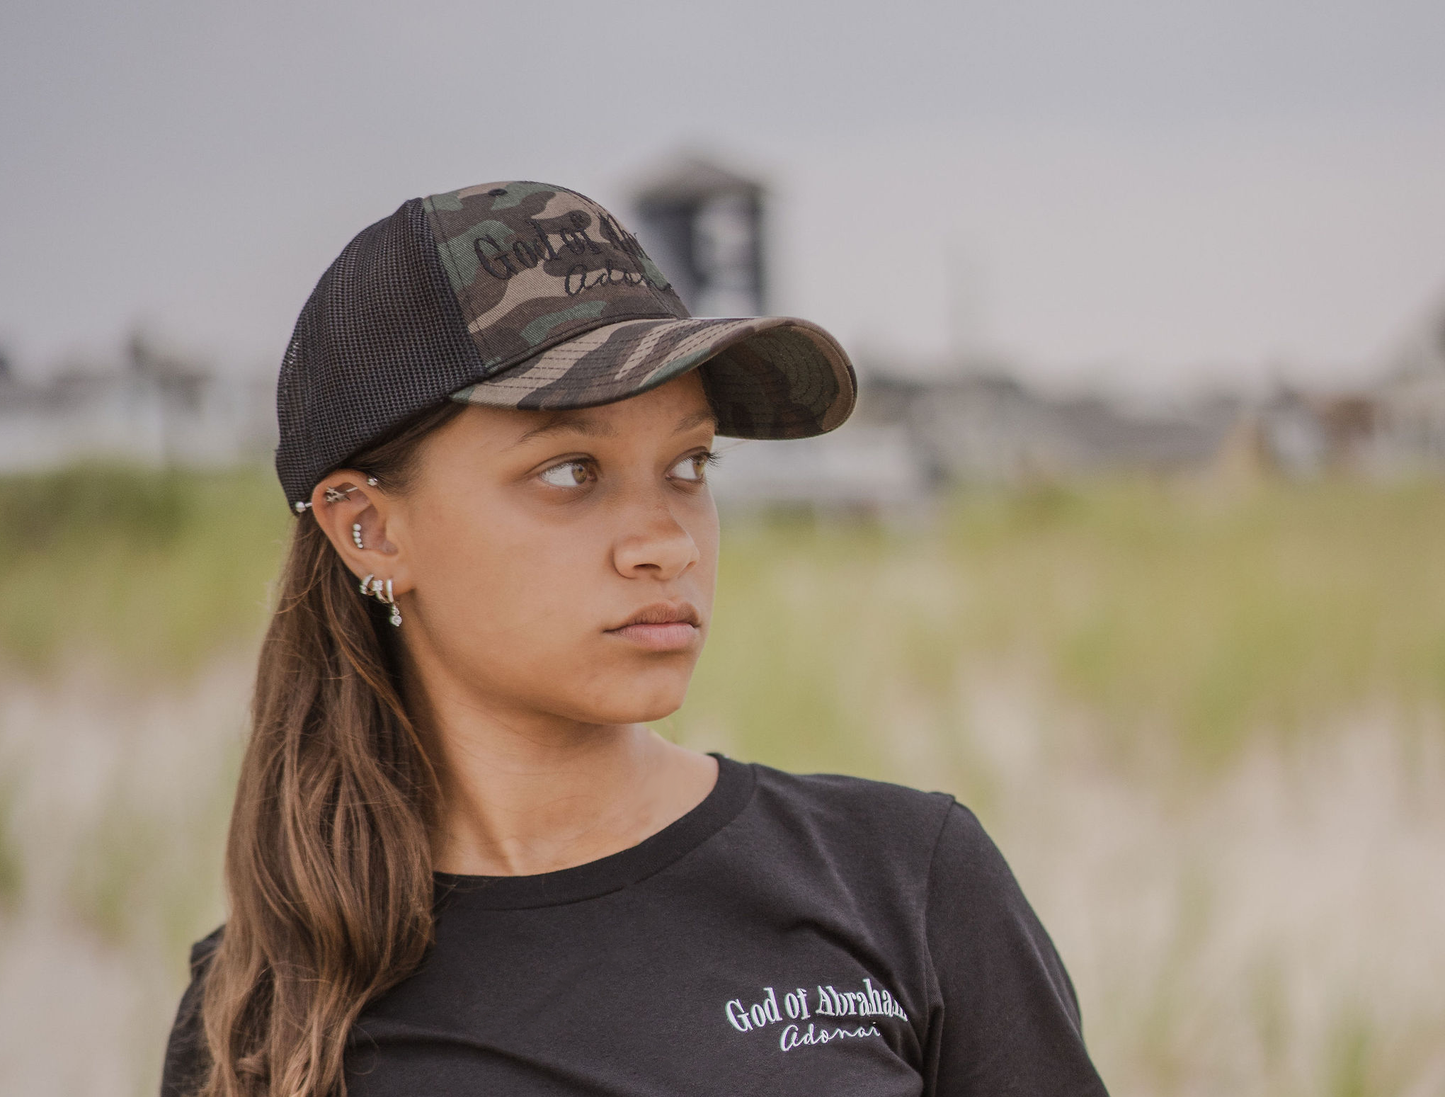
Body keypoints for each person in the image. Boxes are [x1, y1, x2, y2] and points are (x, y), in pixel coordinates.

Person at [160, 181, 1108, 1097]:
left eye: (689, 464)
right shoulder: (262, 1012)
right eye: (571, 470)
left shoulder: (901, 879)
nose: (667, 543)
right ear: (369, 528)